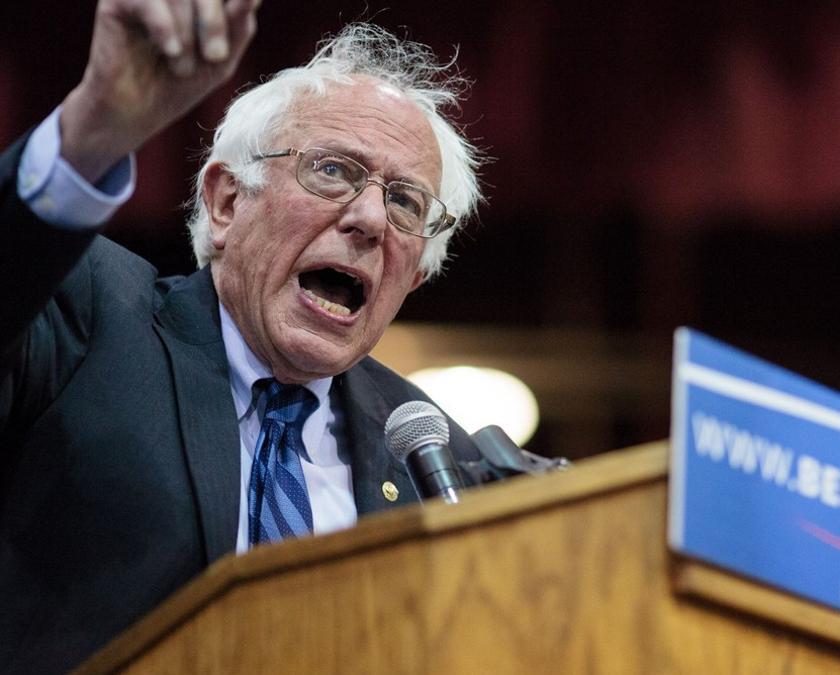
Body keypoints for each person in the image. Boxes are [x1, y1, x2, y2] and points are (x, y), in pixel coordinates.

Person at [0, 1, 486, 671]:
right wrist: (92, 130)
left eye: (406, 202)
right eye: (334, 170)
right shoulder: (93, 317)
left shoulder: (442, 461)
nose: (372, 218)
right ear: (226, 201)